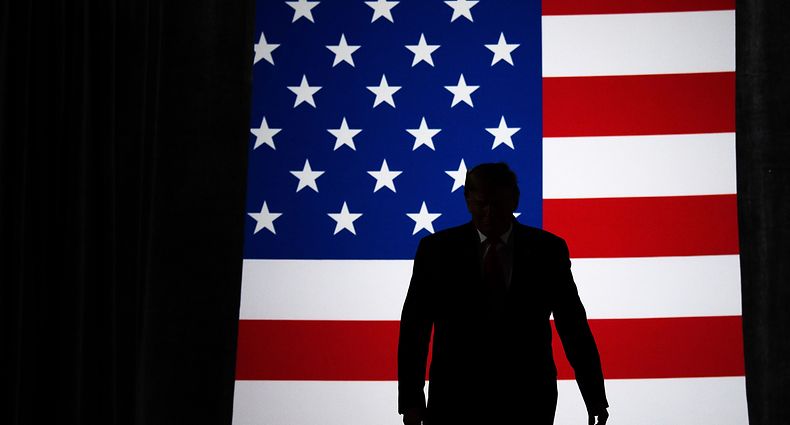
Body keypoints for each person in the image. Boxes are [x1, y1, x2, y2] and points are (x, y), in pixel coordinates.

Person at [398, 162, 609, 425]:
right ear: (467, 200)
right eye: (481, 203)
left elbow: (573, 327)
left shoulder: (548, 251)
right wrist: (411, 401)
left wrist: (595, 396)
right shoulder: (436, 251)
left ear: (515, 199)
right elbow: (414, 331)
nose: (489, 213)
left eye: (497, 204)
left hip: (527, 399)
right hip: (455, 399)